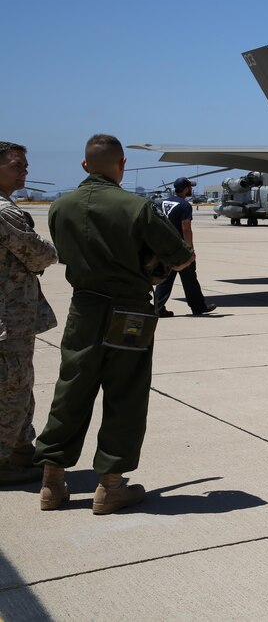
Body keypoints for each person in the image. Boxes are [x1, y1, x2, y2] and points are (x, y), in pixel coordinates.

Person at [34, 134, 194, 515]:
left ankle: (52, 483)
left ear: (85, 165)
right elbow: (180, 257)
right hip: (130, 312)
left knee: (71, 388)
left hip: (84, 309)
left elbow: (62, 253)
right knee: (125, 393)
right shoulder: (138, 207)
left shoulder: (60, 206)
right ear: (122, 165)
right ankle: (110, 487)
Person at [0, 142, 58, 486]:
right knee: (13, 389)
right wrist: (51, 248)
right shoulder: (5, 213)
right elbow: (39, 254)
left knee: (16, 386)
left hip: (12, 317)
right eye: (16, 165)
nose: (25, 171)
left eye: (24, 165)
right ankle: (6, 460)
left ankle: (20, 449)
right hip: (9, 319)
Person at [154, 177, 216, 317]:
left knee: (173, 278)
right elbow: (186, 228)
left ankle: (196, 306)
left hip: (165, 247)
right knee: (187, 278)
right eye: (190, 187)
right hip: (180, 249)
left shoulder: (162, 202)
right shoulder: (184, 205)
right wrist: (190, 250)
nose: (191, 189)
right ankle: (197, 307)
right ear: (186, 188)